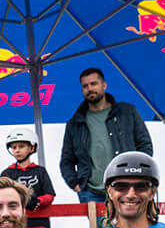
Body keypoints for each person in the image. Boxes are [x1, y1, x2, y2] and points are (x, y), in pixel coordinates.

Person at [59, 67, 153, 207]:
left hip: (127, 188)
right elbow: (66, 160)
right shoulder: (74, 124)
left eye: (93, 84)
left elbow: (145, 146)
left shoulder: (127, 112)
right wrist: (75, 184)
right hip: (91, 192)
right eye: (85, 86)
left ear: (104, 85)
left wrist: (138, 175)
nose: (90, 88)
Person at [0, 131, 57, 228]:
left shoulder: (40, 171)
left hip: (40, 226)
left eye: (21, 146)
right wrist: (20, 202)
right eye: (14, 147)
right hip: (16, 225)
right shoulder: (7, 173)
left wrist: (37, 201)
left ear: (32, 147)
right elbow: (1, 196)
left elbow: (50, 195)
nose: (17, 150)